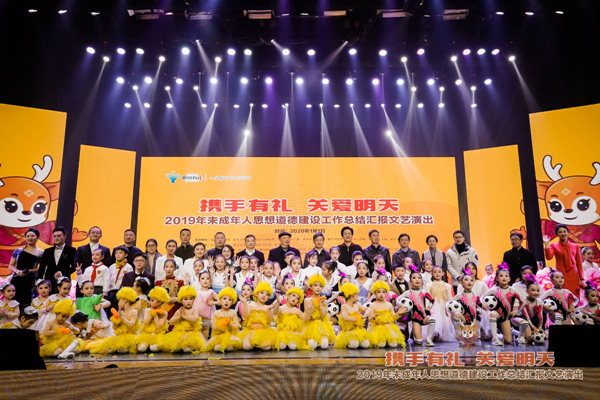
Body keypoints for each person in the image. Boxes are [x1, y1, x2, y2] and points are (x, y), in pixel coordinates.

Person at [482, 265, 522, 346]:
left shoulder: (512, 290)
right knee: (492, 314)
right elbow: (482, 296)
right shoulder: (494, 289)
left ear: (509, 279)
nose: (504, 278)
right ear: (497, 278)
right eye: (501, 276)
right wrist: (482, 303)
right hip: (497, 314)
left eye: (506, 276)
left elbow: (523, 302)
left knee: (508, 340)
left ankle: (510, 331)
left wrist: (516, 311)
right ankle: (495, 338)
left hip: (506, 317)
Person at [92, 287, 140, 355]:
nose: (118, 302)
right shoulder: (121, 313)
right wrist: (115, 319)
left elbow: (131, 325)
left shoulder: (134, 311)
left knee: (122, 350)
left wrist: (122, 317)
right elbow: (114, 328)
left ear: (125, 300)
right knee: (109, 349)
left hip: (129, 335)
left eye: (120, 300)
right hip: (120, 336)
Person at [160, 286, 207, 353]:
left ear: (194, 300)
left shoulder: (194, 309)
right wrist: (179, 317)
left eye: (191, 299)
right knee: (175, 349)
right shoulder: (179, 311)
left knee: (187, 349)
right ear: (181, 300)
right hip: (179, 333)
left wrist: (184, 316)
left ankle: (186, 347)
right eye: (186, 299)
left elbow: (195, 319)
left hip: (191, 333)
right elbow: (171, 322)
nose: (188, 301)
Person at [398, 267, 436, 347]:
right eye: (414, 278)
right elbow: (398, 299)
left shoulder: (424, 292)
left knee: (432, 320)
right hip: (415, 319)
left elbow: (432, 300)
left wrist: (429, 307)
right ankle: (414, 333)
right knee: (419, 342)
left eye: (419, 278)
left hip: (424, 317)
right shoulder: (408, 292)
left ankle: (428, 340)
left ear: (421, 280)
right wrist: (400, 305)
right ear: (410, 281)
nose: (417, 280)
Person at [544, 224, 585, 298]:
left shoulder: (575, 246)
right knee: (563, 295)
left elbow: (579, 263)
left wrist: (581, 278)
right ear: (557, 234)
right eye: (560, 232)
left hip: (574, 274)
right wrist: (547, 244)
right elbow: (549, 257)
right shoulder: (554, 245)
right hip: (561, 275)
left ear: (568, 232)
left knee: (575, 295)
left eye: (564, 231)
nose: (563, 234)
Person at [365, 281, 406, 348]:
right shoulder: (372, 305)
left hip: (388, 328)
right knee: (381, 345)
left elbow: (392, 318)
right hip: (377, 328)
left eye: (383, 292)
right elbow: (370, 320)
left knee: (393, 345)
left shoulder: (389, 305)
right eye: (379, 292)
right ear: (375, 293)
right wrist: (373, 317)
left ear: (386, 293)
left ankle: (388, 340)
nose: (381, 294)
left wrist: (398, 313)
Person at [8, 228, 43, 305]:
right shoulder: (18, 250)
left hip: (30, 281)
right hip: (16, 279)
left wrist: (30, 271)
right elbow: (11, 265)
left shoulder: (41, 253)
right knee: (12, 303)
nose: (30, 238)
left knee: (26, 304)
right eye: (28, 236)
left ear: (37, 237)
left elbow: (42, 268)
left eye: (32, 236)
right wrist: (17, 271)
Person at [239, 282, 277, 351]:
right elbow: (246, 316)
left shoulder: (268, 307)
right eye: (262, 293)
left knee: (266, 347)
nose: (264, 295)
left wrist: (269, 310)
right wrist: (244, 303)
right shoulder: (251, 305)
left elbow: (269, 320)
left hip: (263, 332)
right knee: (247, 347)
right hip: (251, 331)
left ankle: (258, 344)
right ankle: (254, 344)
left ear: (268, 298)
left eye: (267, 294)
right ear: (256, 294)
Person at [37, 227, 76, 294]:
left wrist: (61, 273)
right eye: (54, 236)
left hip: (64, 283)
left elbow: (74, 267)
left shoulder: (71, 250)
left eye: (59, 236)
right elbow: (42, 267)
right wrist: (39, 282)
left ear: (65, 236)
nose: (56, 238)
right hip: (49, 283)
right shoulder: (47, 251)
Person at [205, 287, 243, 352]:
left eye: (229, 300)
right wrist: (222, 324)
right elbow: (214, 327)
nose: (226, 301)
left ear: (232, 302)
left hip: (230, 335)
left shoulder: (232, 312)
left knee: (229, 347)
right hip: (219, 335)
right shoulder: (217, 313)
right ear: (220, 300)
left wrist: (230, 325)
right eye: (224, 298)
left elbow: (237, 326)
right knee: (217, 348)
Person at [302, 275, 335, 350]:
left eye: (320, 286)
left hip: (322, 325)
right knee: (312, 346)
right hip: (311, 325)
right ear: (311, 287)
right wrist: (311, 307)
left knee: (324, 345)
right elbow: (308, 317)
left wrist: (320, 305)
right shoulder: (307, 300)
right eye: (315, 285)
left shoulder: (324, 301)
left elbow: (323, 316)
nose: (318, 288)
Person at [335, 283, 372, 349]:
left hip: (358, 331)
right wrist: (356, 319)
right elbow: (345, 317)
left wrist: (365, 315)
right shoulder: (344, 306)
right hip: (349, 331)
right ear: (353, 295)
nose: (357, 297)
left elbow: (369, 309)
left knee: (366, 344)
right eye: (357, 294)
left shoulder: (357, 305)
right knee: (354, 344)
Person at [135, 286, 170, 353]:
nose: (150, 302)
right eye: (150, 300)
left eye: (152, 300)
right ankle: (147, 345)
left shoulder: (164, 313)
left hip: (157, 334)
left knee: (154, 348)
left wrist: (155, 315)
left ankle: (151, 346)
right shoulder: (148, 310)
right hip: (147, 334)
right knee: (141, 348)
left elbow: (159, 326)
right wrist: (152, 313)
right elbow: (145, 322)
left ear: (159, 302)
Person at [424, 266, 454, 342]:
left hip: (443, 306)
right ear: (432, 274)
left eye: (439, 272)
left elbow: (449, 297)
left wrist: (449, 307)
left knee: (444, 322)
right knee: (434, 320)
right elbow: (427, 297)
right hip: (433, 307)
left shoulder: (447, 285)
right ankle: (433, 335)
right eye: (435, 272)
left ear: (443, 273)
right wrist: (427, 307)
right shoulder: (429, 285)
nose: (437, 274)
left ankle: (441, 335)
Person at [511, 275, 544, 345]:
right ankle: (520, 336)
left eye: (538, 290)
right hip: (517, 318)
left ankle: (515, 332)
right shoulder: (524, 301)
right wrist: (533, 327)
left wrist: (540, 327)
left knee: (530, 339)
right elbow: (526, 316)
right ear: (527, 291)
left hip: (527, 321)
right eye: (533, 290)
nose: (536, 292)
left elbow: (540, 316)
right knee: (525, 324)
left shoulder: (539, 302)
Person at [107, 246, 133, 310]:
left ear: (126, 255)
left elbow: (129, 281)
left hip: (122, 292)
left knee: (120, 309)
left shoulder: (128, 267)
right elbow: (108, 279)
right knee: (111, 310)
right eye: (116, 253)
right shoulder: (111, 267)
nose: (118, 255)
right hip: (112, 291)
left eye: (120, 253)